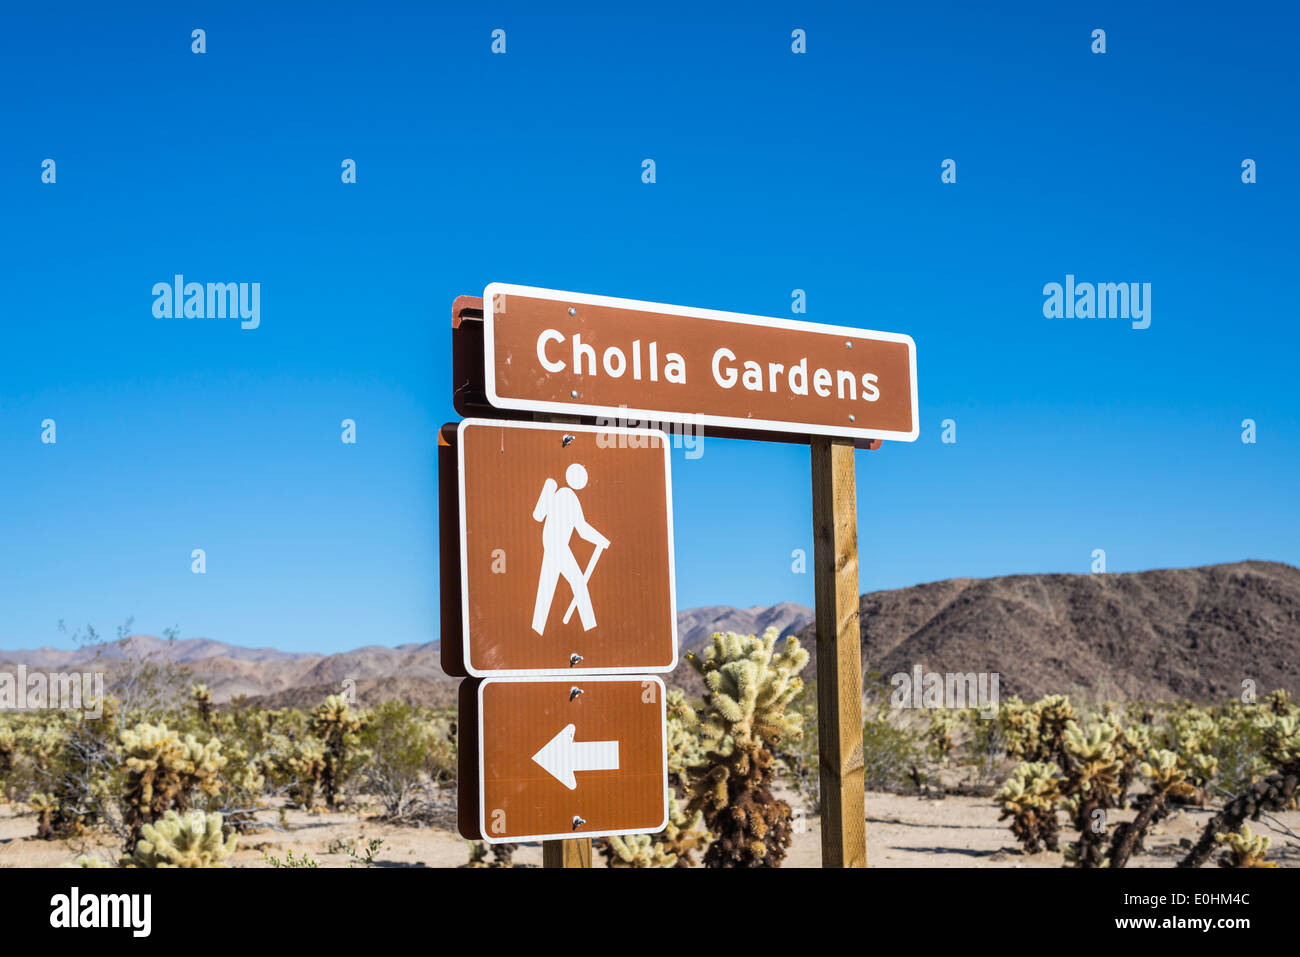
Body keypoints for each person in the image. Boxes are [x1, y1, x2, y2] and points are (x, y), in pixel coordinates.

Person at [530, 463, 609, 634]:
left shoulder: (562, 494)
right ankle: (590, 627)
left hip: (552, 546)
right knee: (578, 582)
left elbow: (581, 528)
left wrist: (600, 540)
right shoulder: (568, 496)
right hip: (557, 547)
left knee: (547, 587)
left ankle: (537, 629)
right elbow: (581, 528)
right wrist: (601, 540)